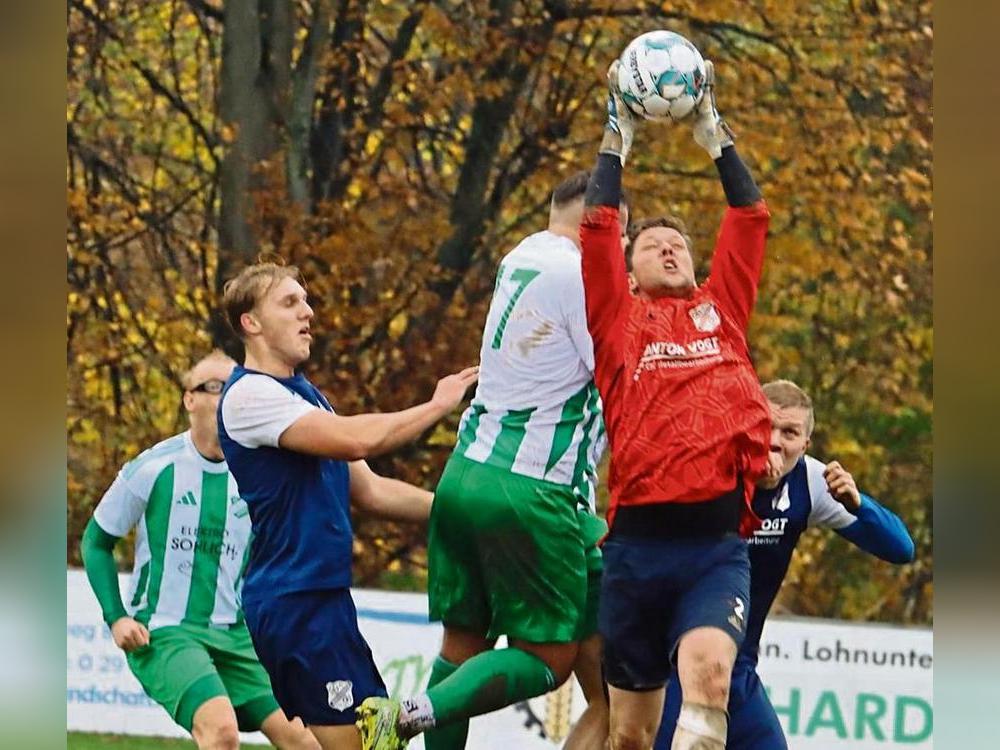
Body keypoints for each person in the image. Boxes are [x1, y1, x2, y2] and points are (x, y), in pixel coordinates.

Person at [355, 173, 628, 750]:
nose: (622, 258)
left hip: (467, 471)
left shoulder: (520, 257)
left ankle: (415, 716)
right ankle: (404, 716)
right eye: (624, 242)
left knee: (463, 647)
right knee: (551, 660)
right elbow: (622, 376)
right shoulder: (581, 274)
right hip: (532, 489)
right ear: (606, 229)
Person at [580, 59, 782, 750]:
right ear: (629, 269)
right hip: (636, 552)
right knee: (632, 736)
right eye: (652, 245)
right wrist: (617, 137)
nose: (668, 248)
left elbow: (750, 216)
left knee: (710, 680)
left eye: (679, 245)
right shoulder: (616, 324)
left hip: (713, 550)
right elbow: (600, 225)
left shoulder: (720, 311)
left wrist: (712, 134)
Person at [216, 262, 478, 750]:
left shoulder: (309, 397)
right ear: (250, 323)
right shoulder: (249, 395)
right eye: (289, 302)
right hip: (294, 602)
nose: (307, 311)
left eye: (306, 299)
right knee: (365, 745)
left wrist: (466, 511)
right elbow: (359, 438)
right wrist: (438, 404)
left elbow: (372, 491)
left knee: (374, 740)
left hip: (323, 599)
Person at [654, 379, 915, 749]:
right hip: (677, 663)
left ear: (805, 445)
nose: (774, 441)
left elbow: (902, 549)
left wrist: (860, 505)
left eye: (789, 432)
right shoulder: (709, 468)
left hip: (738, 670)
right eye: (765, 426)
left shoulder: (811, 481)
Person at [80, 350, 319, 750]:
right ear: (189, 400)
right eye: (216, 388)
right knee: (220, 732)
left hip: (237, 636)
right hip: (167, 631)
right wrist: (117, 618)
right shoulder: (154, 468)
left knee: (304, 740)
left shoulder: (260, 476)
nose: (229, 397)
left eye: (236, 388)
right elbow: (96, 542)